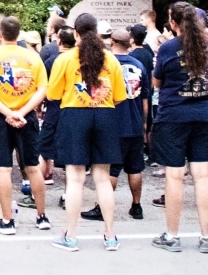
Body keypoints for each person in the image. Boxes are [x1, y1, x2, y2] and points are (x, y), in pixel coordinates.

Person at [48, 13, 127, 252]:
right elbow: (120, 96)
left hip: (74, 115)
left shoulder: (65, 59)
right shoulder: (110, 59)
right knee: (102, 179)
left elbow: (53, 94)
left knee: (75, 179)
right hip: (104, 115)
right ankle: (110, 235)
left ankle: (71, 235)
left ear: (76, 34)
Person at [150, 1, 208, 254]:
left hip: (174, 115)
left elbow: (157, 81)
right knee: (202, 176)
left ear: (174, 23)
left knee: (174, 176)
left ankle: (173, 235)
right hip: (203, 113)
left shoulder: (168, 48)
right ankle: (206, 237)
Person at [0, 16, 51, 233]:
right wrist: (22, 112)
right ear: (19, 35)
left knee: (3, 168)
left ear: (0, 33)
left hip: (0, 116)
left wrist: (8, 113)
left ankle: (7, 220)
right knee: (32, 166)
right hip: (26, 115)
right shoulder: (33, 57)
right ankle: (41, 216)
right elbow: (42, 89)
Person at [82, 28, 149, 222]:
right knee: (135, 167)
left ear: (111, 42)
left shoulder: (107, 65)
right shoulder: (139, 65)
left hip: (113, 122)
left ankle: (102, 207)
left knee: (110, 168)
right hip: (135, 121)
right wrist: (144, 123)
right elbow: (144, 98)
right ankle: (136, 205)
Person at [39, 27, 75, 187]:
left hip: (53, 108)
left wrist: (39, 107)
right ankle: (68, 193)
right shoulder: (80, 59)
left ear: (59, 40)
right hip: (74, 108)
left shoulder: (51, 61)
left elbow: (43, 88)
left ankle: (36, 193)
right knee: (72, 156)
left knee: (42, 149)